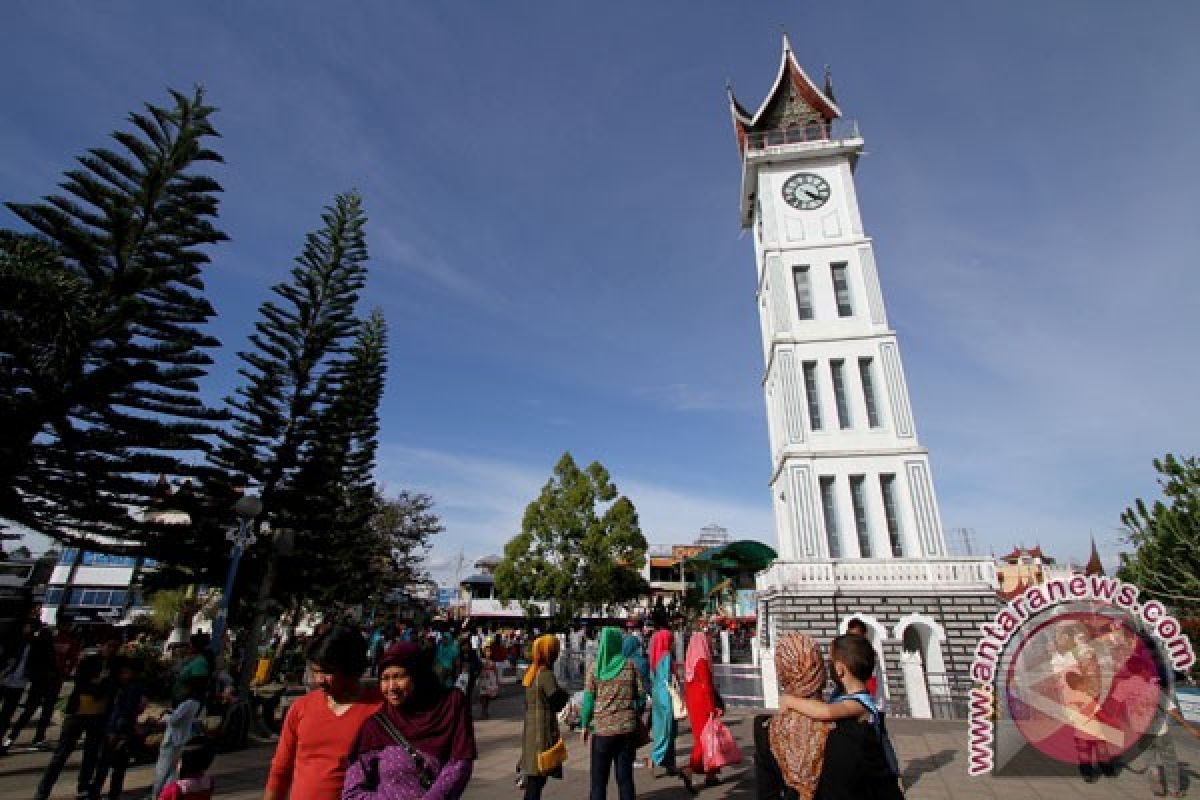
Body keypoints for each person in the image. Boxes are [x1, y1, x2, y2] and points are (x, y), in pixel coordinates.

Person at [342, 641, 476, 800]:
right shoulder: (375, 727)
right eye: (385, 679)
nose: (391, 687)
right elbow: (352, 793)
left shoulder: (450, 706)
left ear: (417, 675)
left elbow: (460, 763)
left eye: (399, 676)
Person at [775, 634, 903, 800]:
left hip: (865, 778)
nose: (827, 666)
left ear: (840, 669)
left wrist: (790, 700)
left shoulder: (859, 704)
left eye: (830, 661)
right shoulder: (845, 694)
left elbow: (825, 711)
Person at [266, 625, 383, 800]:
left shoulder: (381, 709)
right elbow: (280, 770)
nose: (319, 680)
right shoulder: (300, 709)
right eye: (315, 671)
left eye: (328, 672)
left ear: (351, 668)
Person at [35, 637, 121, 800]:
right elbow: (82, 683)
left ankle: (84, 787)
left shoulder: (115, 665)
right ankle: (43, 790)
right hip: (78, 713)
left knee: (91, 754)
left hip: (99, 715)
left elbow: (112, 686)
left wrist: (100, 685)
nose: (111, 649)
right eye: (109, 645)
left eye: (115, 647)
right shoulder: (89, 661)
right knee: (62, 754)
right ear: (102, 646)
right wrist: (99, 685)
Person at [580, 626, 645, 800]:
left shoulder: (595, 668)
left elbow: (587, 702)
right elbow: (641, 696)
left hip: (602, 731)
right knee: (625, 779)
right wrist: (632, 710)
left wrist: (584, 725)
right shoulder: (629, 665)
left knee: (598, 782)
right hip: (626, 730)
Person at [518, 635, 570, 800]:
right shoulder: (545, 674)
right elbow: (556, 699)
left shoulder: (532, 672)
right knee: (537, 781)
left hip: (531, 732)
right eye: (554, 651)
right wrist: (566, 694)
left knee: (534, 778)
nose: (556, 654)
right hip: (542, 732)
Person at [88, 655, 147, 800]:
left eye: (125, 672)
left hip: (119, 732)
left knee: (107, 766)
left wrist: (114, 731)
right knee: (117, 768)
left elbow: (124, 712)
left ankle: (97, 793)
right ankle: (109, 794)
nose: (122, 675)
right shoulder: (130, 687)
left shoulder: (131, 689)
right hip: (122, 730)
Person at [2, 620, 58, 751]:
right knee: (14, 713)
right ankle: (10, 739)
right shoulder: (17, 642)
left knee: (10, 713)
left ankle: (10, 739)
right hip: (9, 680)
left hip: (22, 684)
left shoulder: (38, 646)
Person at [152, 674, 207, 800]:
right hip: (184, 739)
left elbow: (174, 720)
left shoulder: (187, 703)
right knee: (173, 771)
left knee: (162, 770)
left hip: (172, 740)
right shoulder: (200, 704)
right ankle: (166, 795)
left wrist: (165, 716)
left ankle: (156, 795)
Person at [683, 632, 724, 789]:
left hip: (694, 703)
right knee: (705, 739)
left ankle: (711, 774)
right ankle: (689, 770)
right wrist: (711, 707)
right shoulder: (701, 660)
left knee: (706, 737)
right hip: (703, 704)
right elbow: (706, 686)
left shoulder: (691, 660)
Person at [646, 629, 683, 781]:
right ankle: (654, 759)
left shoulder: (654, 657)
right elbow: (670, 677)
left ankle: (670, 763)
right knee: (668, 731)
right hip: (666, 696)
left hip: (657, 695)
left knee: (662, 729)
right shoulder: (666, 656)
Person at [174, 633, 213, 706]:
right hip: (181, 698)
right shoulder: (193, 659)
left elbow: (198, 683)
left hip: (187, 701)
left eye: (190, 644)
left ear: (195, 647)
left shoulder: (200, 662)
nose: (189, 646)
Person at [844, 619, 879, 699]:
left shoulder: (870, 654)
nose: (854, 640)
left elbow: (872, 680)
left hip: (867, 696)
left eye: (857, 636)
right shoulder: (845, 652)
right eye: (851, 635)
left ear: (864, 635)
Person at [477, 641, 499, 720]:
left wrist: (497, 681)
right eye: (486, 651)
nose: (488, 653)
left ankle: (485, 712)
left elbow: (495, 671)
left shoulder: (492, 662)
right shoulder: (481, 661)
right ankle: (483, 712)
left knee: (487, 697)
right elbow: (479, 670)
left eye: (489, 651)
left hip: (490, 680)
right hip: (483, 680)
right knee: (482, 696)